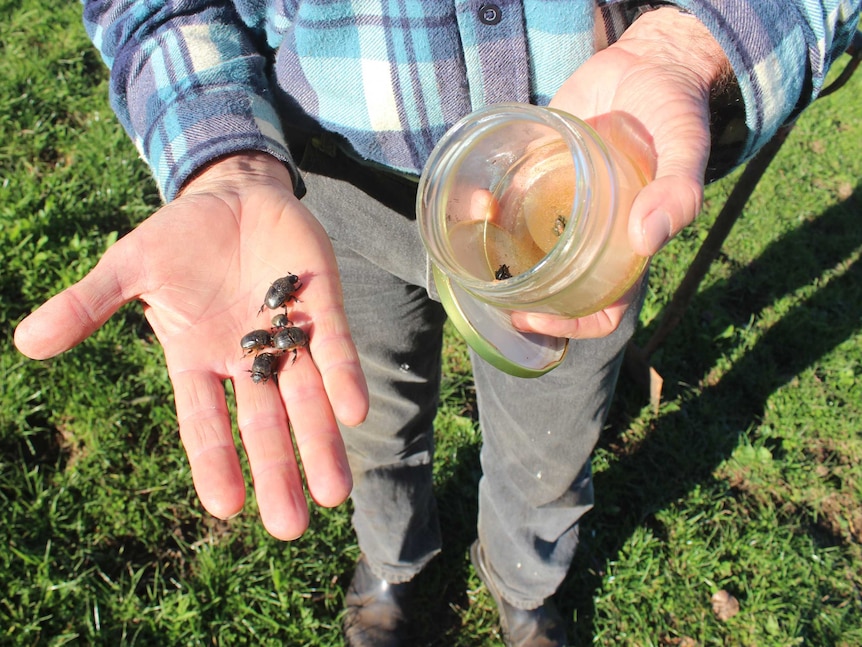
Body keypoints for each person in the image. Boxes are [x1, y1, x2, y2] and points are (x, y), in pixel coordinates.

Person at [14, 1, 859, 645]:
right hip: (330, 185)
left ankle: (526, 581)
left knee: (552, 437)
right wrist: (224, 159)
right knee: (369, 411)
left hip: (577, 180)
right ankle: (395, 554)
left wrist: (688, 44)